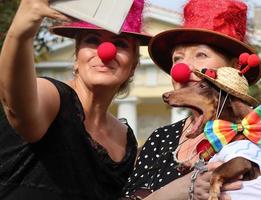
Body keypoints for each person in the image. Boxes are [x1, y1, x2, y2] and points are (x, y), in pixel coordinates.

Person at [122, 0, 261, 199]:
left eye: (201, 54)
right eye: (177, 59)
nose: (184, 68)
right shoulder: (160, 140)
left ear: (233, 68)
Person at [0, 0, 151, 199]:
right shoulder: (53, 96)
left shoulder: (126, 141)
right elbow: (18, 108)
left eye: (120, 44)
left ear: (133, 66)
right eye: (92, 40)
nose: (106, 52)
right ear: (76, 58)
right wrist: (21, 33)